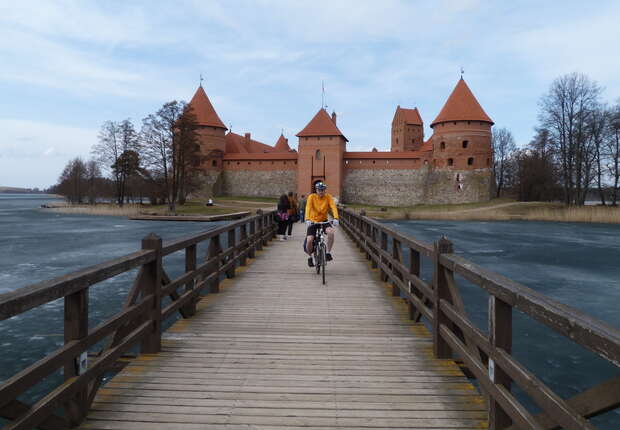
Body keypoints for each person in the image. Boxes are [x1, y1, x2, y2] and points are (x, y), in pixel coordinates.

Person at [304, 182, 339, 267]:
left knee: (331, 233)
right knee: (309, 240)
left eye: (322, 190)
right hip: (313, 221)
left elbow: (333, 207)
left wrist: (336, 218)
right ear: (316, 190)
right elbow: (308, 207)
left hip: (324, 221)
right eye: (319, 190)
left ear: (325, 190)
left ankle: (327, 253)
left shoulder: (328, 197)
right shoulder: (311, 197)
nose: (321, 192)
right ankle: (310, 257)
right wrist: (307, 219)